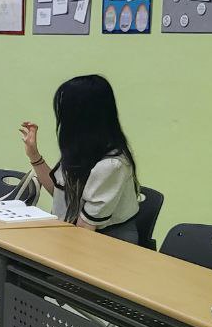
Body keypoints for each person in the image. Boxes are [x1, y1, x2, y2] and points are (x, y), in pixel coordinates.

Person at [20, 74, 141, 242]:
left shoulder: (112, 164)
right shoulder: (81, 150)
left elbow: (84, 231)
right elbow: (59, 193)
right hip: (77, 232)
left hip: (110, 242)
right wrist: (33, 154)